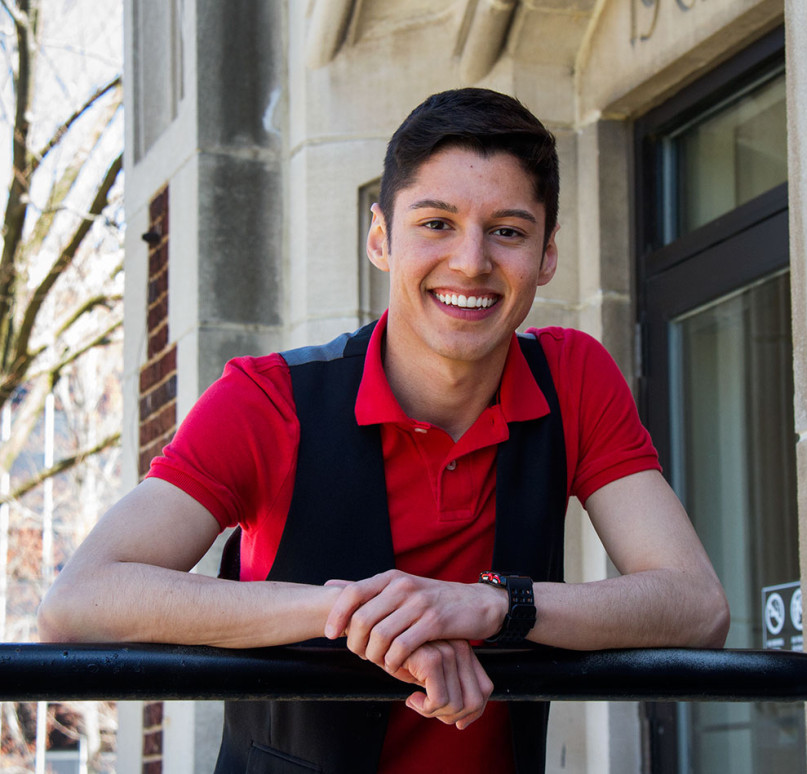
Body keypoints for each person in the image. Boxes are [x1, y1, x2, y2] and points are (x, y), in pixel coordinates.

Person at [38, 88, 729, 773]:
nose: (471, 260)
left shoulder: (574, 378)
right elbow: (81, 601)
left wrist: (491, 607)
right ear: (380, 239)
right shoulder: (268, 398)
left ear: (546, 255)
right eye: (436, 222)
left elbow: (696, 607)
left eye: (509, 231)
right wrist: (357, 612)